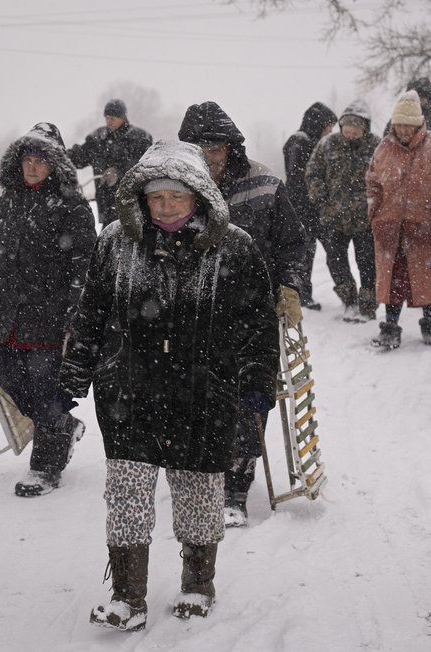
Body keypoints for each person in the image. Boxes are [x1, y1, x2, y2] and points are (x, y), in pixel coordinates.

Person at [59, 140, 279, 631]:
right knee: (127, 495)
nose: (165, 207)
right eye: (156, 197)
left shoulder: (235, 248)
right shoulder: (115, 242)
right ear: (141, 197)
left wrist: (257, 384)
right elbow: (91, 314)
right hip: (128, 394)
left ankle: (198, 584)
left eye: (176, 197)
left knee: (199, 492)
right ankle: (126, 596)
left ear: (199, 195)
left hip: (204, 394)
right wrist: (74, 373)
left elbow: (257, 326)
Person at [178, 101, 307, 527]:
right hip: (195, 311)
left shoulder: (264, 182)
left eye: (215, 148)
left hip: (254, 312)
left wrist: (289, 286)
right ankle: (207, 474)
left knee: (250, 396)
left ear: (231, 147)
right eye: (198, 148)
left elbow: (291, 242)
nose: (207, 156)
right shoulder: (175, 187)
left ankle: (235, 487)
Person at [0, 122, 96, 496]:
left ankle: (45, 468)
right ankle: (63, 428)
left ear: (55, 163)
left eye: (41, 159)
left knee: (44, 392)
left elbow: (84, 263)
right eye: (27, 158)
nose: (33, 166)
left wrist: (76, 312)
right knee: (10, 383)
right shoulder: (10, 199)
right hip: (9, 314)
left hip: (49, 316)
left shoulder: (71, 204)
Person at [366, 90, 431, 349]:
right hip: (390, 227)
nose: (404, 129)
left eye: (409, 123)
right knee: (392, 280)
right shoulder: (384, 148)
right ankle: (390, 327)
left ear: (419, 123)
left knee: (425, 278)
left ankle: (430, 324)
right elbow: (372, 182)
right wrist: (374, 211)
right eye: (399, 123)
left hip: (425, 226)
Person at [305, 100, 382, 322]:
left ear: (365, 127)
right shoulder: (327, 145)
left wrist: (377, 203)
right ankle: (349, 301)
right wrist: (321, 200)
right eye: (346, 125)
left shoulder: (377, 146)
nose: (351, 130)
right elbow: (312, 173)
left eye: (356, 126)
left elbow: (387, 178)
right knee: (336, 262)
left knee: (367, 263)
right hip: (334, 218)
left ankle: (368, 305)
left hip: (365, 218)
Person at [283, 102, 338, 310]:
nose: (330, 132)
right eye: (328, 127)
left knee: (332, 251)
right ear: (318, 124)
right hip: (303, 210)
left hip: (315, 209)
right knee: (306, 254)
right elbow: (297, 179)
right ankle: (303, 295)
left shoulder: (312, 142)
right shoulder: (299, 142)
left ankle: (342, 292)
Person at [68, 99, 153, 227]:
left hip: (133, 203)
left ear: (123, 117)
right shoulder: (97, 139)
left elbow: (145, 165)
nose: (109, 121)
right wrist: (61, 156)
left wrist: (119, 172)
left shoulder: (140, 138)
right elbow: (80, 156)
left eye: (113, 118)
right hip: (106, 204)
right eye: (107, 117)